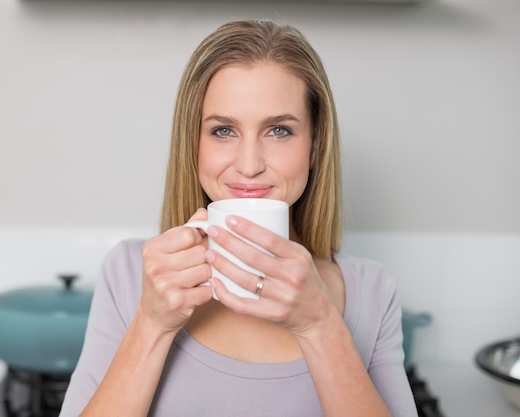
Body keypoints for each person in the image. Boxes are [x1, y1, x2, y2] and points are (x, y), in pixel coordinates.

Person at [59, 19, 417, 417]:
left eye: (279, 130)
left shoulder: (371, 292)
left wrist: (320, 324)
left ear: (315, 145)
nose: (248, 166)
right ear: (192, 143)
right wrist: (151, 323)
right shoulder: (130, 274)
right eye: (223, 130)